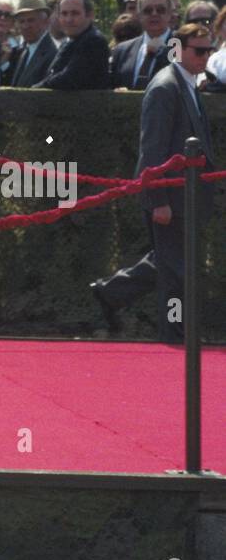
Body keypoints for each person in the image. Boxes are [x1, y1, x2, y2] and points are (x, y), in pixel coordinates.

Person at [90, 23, 217, 342]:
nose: (206, 57)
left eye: (209, 50)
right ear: (177, 50)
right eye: (199, 50)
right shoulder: (165, 87)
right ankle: (174, 332)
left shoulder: (186, 83)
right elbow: (153, 148)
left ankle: (110, 293)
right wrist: (158, 199)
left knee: (170, 262)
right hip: (170, 196)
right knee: (175, 271)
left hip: (183, 195)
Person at [36, 0, 110, 90]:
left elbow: (69, 78)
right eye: (64, 13)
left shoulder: (94, 41)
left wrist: (36, 88)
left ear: (90, 15)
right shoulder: (69, 42)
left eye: (75, 13)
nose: (68, 19)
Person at [110, 0, 175, 90]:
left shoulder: (181, 46)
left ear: (170, 13)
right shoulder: (122, 50)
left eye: (160, 10)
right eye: (148, 10)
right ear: (139, 14)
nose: (154, 14)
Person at [8, 0, 57, 87]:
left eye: (31, 20)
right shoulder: (23, 51)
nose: (26, 26)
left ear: (46, 22)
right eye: (21, 21)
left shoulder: (52, 52)